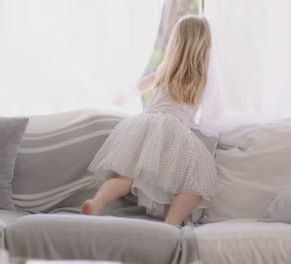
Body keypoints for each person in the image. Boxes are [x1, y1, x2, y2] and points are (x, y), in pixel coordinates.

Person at [80, 16, 218, 227]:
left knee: (125, 179)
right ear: (205, 45)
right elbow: (212, 116)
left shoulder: (166, 68)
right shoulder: (204, 77)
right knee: (194, 188)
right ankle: (171, 223)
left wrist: (121, 96)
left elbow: (139, 87)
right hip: (176, 131)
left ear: (176, 42)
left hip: (143, 126)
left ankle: (96, 203)